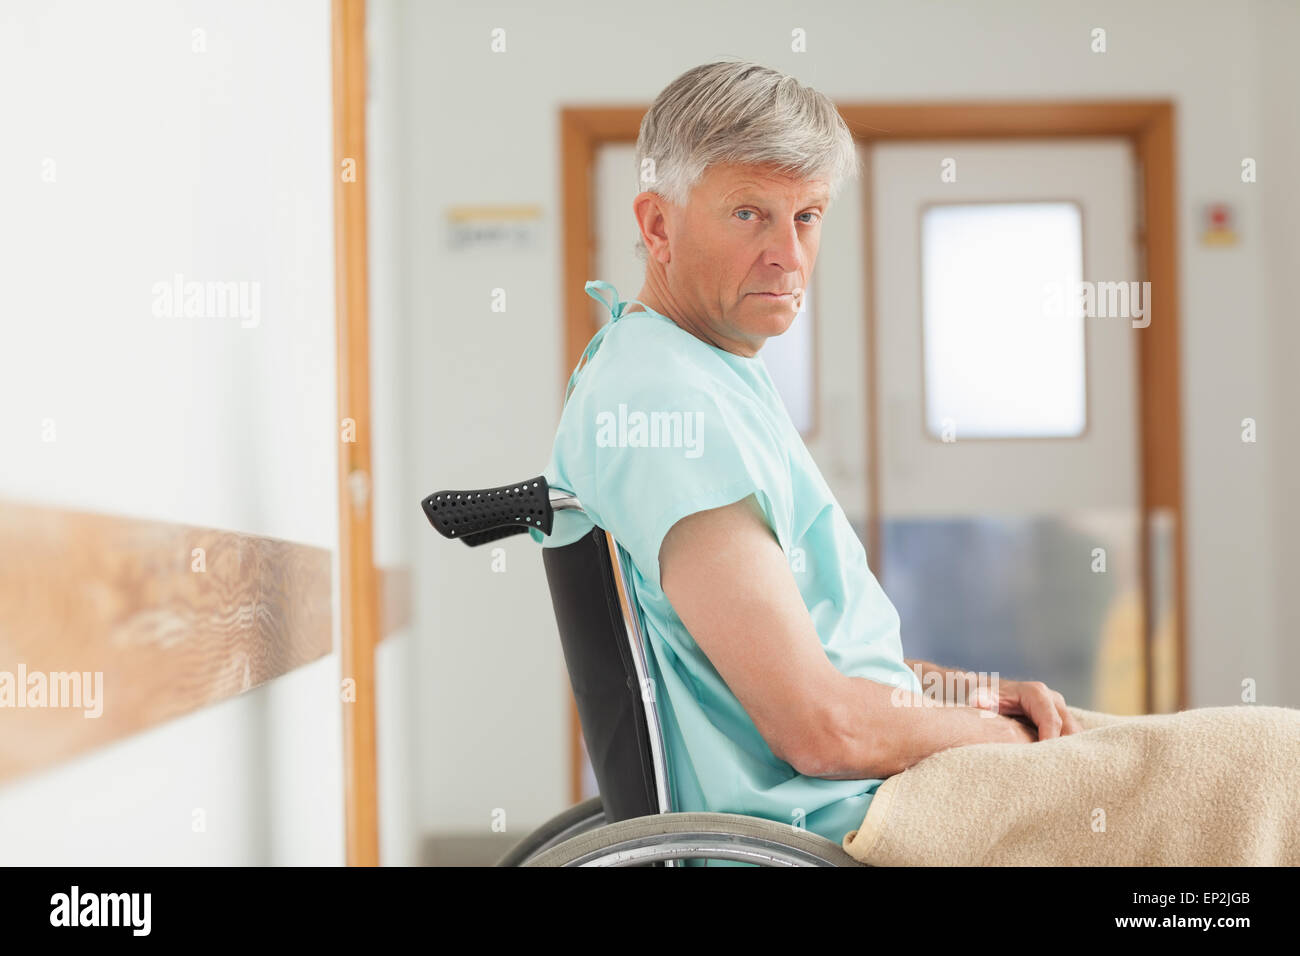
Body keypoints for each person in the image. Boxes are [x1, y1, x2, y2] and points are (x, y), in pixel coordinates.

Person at [531, 59, 1078, 858]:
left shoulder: (704, 372)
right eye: (749, 214)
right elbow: (818, 730)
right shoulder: (659, 401)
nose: (788, 256)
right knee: (1262, 766)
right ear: (657, 226)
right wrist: (1005, 742)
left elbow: (836, 665)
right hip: (850, 821)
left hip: (872, 788)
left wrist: (976, 698)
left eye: (808, 216)